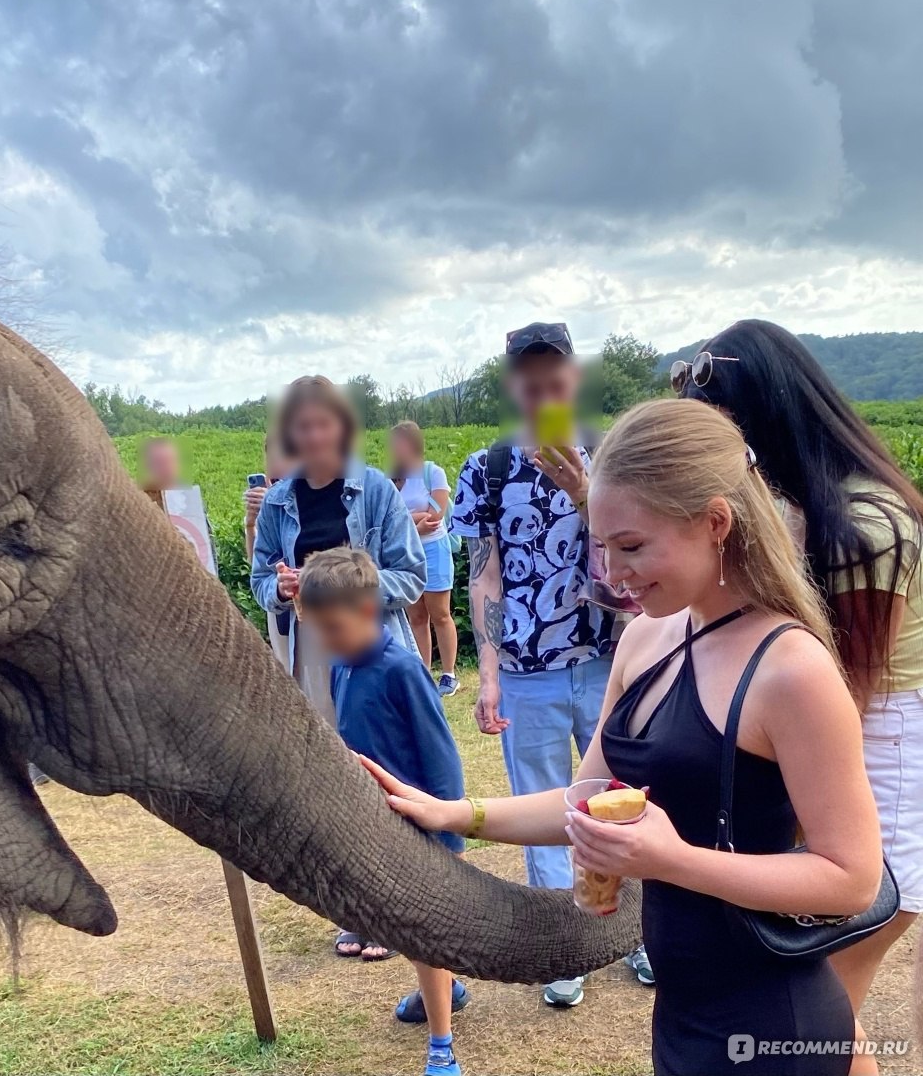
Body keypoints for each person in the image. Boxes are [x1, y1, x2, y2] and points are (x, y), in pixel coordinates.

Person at [365, 398, 882, 1076]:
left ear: (715, 524)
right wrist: (458, 813)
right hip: (681, 1013)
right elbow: (588, 794)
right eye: (601, 547)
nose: (611, 573)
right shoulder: (645, 638)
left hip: (772, 1022)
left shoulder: (791, 670)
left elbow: (850, 879)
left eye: (632, 547)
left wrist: (670, 860)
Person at [679, 319, 923, 1070]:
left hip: (880, 750)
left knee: (821, 1007)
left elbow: (840, 688)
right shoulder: (811, 511)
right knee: (824, 1017)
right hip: (844, 739)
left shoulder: (864, 526)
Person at [449, 321, 639, 1006]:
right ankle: (567, 946)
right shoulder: (487, 468)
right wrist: (489, 673)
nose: (543, 395)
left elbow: (637, 548)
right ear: (513, 387)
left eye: (555, 383)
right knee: (548, 812)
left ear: (572, 380)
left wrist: (588, 489)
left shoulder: (613, 455)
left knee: (624, 799)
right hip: (527, 671)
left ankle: (639, 935)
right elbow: (485, 575)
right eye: (530, 386)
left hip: (610, 660)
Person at [251, 374, 426, 960]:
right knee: (330, 778)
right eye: (301, 426)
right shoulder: (278, 500)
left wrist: (345, 584)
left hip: (369, 649)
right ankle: (357, 908)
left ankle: (398, 904)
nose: (313, 435)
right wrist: (280, 586)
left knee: (380, 773)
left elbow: (413, 574)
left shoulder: (374, 489)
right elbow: (257, 583)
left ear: (341, 427)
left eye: (323, 423)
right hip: (305, 651)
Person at [298, 547, 469, 1076]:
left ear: (369, 612)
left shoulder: (402, 670)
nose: (326, 642)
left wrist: (447, 831)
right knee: (398, 923)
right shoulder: (343, 667)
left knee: (423, 932)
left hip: (419, 827)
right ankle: (446, 987)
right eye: (317, 631)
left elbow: (441, 757)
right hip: (376, 829)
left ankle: (441, 1045)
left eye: (334, 628)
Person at [389, 421, 461, 695]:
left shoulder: (434, 473)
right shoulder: (392, 480)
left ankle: (449, 674)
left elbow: (436, 514)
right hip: (406, 553)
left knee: (440, 613)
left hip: (434, 550)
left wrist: (409, 521)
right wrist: (413, 522)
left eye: (400, 444)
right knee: (416, 615)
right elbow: (390, 519)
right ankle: (424, 673)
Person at [244, 431, 297, 668]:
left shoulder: (305, 494)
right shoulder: (267, 497)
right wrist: (251, 523)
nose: (275, 461)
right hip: (277, 600)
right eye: (269, 454)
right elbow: (255, 562)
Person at [139, 436, 181, 509]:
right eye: (160, 463)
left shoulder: (188, 497)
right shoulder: (138, 500)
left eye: (171, 461)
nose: (167, 468)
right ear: (147, 466)